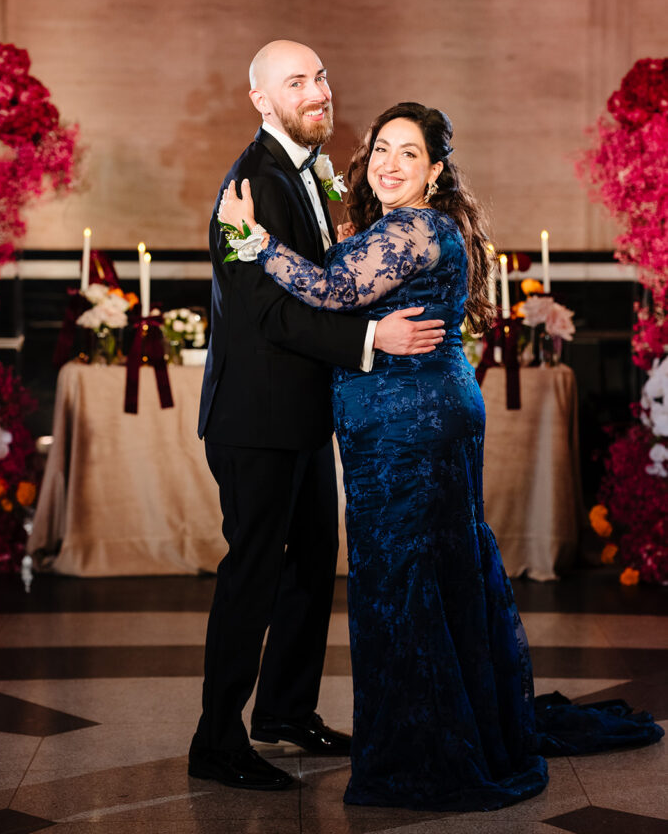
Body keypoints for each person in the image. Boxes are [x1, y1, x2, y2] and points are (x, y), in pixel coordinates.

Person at [218, 101, 664, 811]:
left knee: (401, 579)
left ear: (434, 169)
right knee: (425, 568)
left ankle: (424, 747)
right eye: (381, 150)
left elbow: (332, 291)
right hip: (416, 413)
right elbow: (351, 286)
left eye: (408, 154)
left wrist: (254, 241)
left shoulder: (416, 226)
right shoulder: (405, 228)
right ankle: (449, 720)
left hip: (408, 423)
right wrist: (341, 242)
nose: (390, 164)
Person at [190, 45, 447, 791]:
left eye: (321, 76)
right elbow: (267, 312)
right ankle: (216, 739)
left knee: (308, 566)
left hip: (301, 415)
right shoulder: (252, 185)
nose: (317, 92)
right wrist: (374, 338)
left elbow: (323, 279)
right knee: (253, 577)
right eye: (295, 82)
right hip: (255, 418)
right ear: (260, 101)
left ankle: (284, 713)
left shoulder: (304, 174)